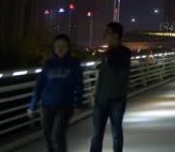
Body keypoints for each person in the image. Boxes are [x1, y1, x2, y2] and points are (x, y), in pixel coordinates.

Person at [28, 34, 84, 152]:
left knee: (57, 135)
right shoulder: (48, 64)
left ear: (68, 48)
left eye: (63, 46)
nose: (60, 49)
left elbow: (79, 85)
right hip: (47, 105)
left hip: (65, 105)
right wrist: (32, 106)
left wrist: (78, 104)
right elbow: (39, 85)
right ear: (53, 48)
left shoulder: (73, 64)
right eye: (57, 46)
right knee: (48, 136)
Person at [90, 22, 131, 152]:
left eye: (108, 33)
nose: (105, 35)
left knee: (116, 133)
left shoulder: (125, 53)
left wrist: (104, 62)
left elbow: (117, 70)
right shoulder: (106, 53)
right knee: (97, 135)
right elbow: (101, 76)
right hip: (101, 100)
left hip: (117, 99)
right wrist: (95, 93)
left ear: (116, 35)